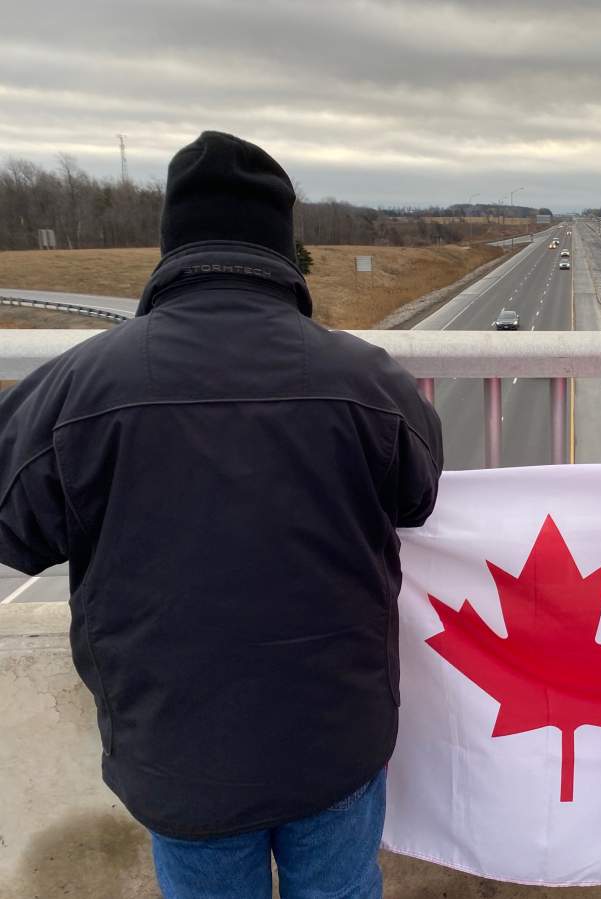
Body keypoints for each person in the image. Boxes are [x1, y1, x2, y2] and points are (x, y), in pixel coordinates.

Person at [0, 131, 443, 898]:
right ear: (282, 243)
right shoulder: (367, 379)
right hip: (336, 743)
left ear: (172, 241)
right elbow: (420, 495)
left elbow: (17, 529)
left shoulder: (77, 387)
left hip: (178, 757)